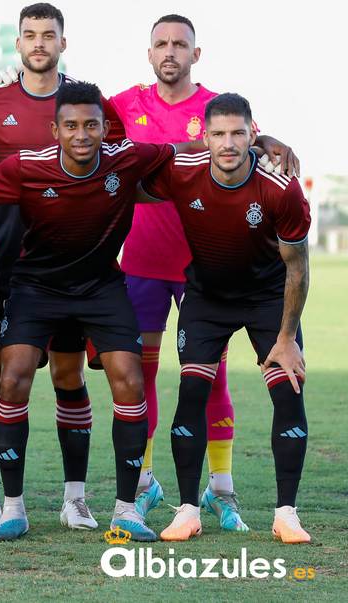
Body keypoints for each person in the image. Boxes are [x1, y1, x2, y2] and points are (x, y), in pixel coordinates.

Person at [0, 80, 213, 542]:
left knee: (130, 379)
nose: (83, 134)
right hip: (36, 286)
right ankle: (14, 508)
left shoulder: (127, 157)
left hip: (101, 286)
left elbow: (188, 147)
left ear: (104, 128)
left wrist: (256, 142)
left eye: (92, 125)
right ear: (55, 129)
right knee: (14, 376)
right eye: (72, 125)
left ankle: (125, 511)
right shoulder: (26, 167)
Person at [0, 2, 127, 530]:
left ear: (63, 42)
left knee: (66, 371)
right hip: (8, 263)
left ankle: (74, 498)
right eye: (30, 35)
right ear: (18, 44)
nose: (39, 43)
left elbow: (127, 161)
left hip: (76, 267)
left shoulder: (88, 102)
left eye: (49, 35)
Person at [110, 14, 300, 531]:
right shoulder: (124, 105)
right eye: (161, 44)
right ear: (148, 53)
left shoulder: (217, 109)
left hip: (204, 269)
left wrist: (274, 140)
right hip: (143, 260)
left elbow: (253, 145)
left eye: (180, 44)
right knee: (138, 377)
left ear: (197, 53)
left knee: (209, 380)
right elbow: (87, 146)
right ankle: (146, 482)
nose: (170, 51)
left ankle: (222, 489)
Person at [139, 93, 312, 544]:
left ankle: (286, 514)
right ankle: (188, 511)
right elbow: (129, 184)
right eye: (219, 134)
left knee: (288, 391)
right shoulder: (183, 171)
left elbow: (298, 266)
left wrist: (288, 337)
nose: (228, 143)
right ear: (205, 137)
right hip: (207, 298)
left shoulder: (281, 187)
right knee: (191, 391)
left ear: (254, 134)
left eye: (238, 133)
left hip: (267, 298)